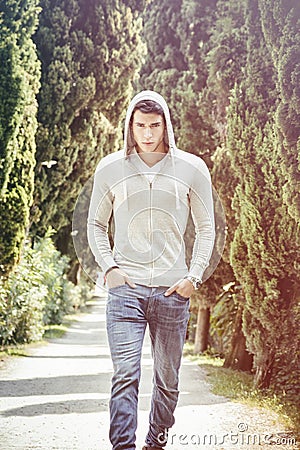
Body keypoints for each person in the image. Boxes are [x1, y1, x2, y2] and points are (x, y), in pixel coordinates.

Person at [87, 90, 215, 450]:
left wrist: (193, 277)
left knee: (168, 379)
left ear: (166, 125)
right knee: (126, 374)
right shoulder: (110, 167)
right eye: (140, 125)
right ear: (129, 125)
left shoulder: (192, 167)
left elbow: (206, 228)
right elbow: (96, 224)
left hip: (172, 292)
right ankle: (123, 446)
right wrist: (110, 268)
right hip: (125, 289)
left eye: (154, 126)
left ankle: (156, 442)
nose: (147, 133)